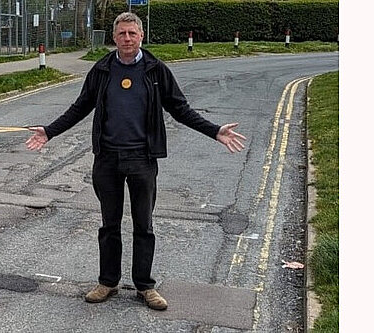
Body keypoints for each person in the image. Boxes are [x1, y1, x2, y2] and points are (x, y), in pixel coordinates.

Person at [26, 12, 246, 311]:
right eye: (122, 34)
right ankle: (107, 282)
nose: (127, 39)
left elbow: (181, 109)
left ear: (141, 36)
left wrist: (214, 131)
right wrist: (49, 132)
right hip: (107, 159)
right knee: (109, 225)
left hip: (142, 159)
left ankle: (145, 286)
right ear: (114, 38)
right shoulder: (102, 69)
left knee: (144, 224)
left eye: (132, 33)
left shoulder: (156, 70)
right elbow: (80, 107)